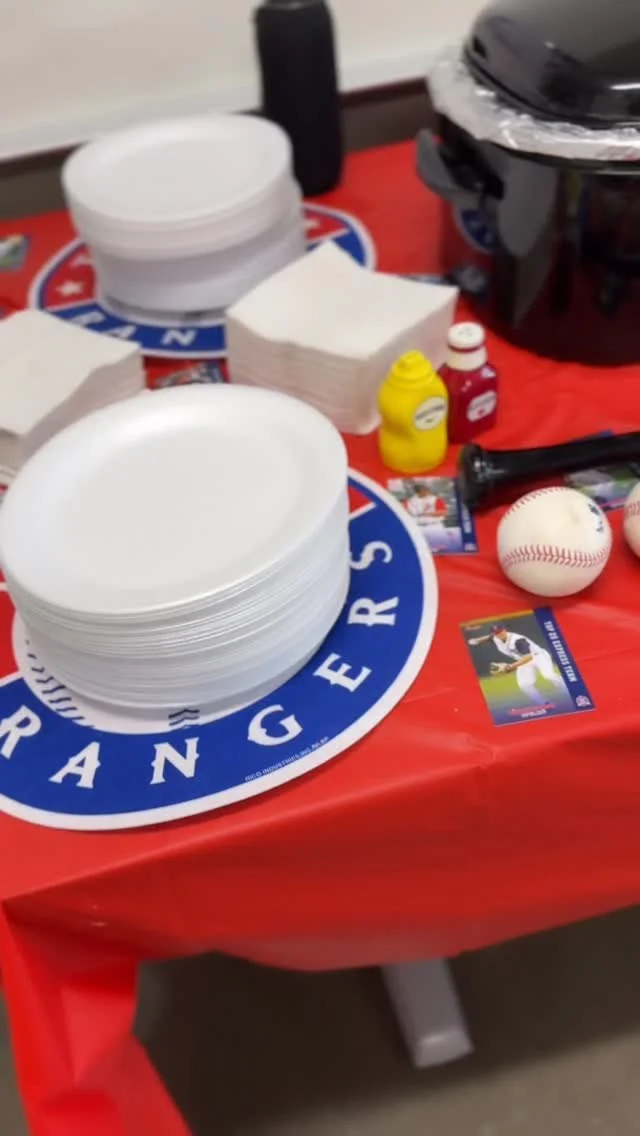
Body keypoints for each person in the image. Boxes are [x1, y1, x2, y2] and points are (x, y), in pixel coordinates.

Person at [468, 623, 565, 706]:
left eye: (500, 631)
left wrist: (511, 666)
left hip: (538, 656)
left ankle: (568, 690)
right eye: (496, 633)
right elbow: (489, 637)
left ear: (504, 630)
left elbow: (528, 657)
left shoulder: (517, 640)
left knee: (549, 676)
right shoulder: (495, 637)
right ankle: (545, 704)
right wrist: (476, 640)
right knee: (524, 685)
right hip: (522, 659)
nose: (499, 634)